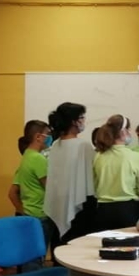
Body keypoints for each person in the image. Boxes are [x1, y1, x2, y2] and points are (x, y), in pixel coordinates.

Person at [44, 102, 97, 243]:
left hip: (59, 201)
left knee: (59, 244)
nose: (84, 121)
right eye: (82, 117)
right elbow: (92, 176)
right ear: (74, 121)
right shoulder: (83, 145)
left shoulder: (55, 145)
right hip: (80, 203)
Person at [8, 120, 56, 270]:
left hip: (28, 214)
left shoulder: (26, 157)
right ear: (38, 137)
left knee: (27, 257)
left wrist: (22, 210)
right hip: (40, 215)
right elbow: (50, 188)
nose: (50, 138)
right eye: (48, 134)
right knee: (35, 259)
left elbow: (12, 193)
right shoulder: (38, 159)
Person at [93, 115, 139, 230]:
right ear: (123, 131)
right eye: (129, 129)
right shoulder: (134, 156)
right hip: (127, 209)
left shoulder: (99, 156)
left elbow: (95, 183)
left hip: (103, 209)